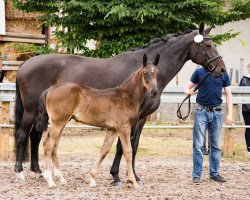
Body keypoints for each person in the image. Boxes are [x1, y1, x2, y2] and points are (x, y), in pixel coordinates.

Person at [185, 66, 233, 184]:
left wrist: (230, 114)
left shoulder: (223, 73)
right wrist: (188, 92)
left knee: (216, 145)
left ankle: (214, 173)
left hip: (217, 112)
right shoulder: (199, 71)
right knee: (198, 145)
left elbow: (228, 94)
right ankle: (196, 175)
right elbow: (187, 87)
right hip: (201, 111)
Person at [239, 63, 250, 155]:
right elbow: (241, 91)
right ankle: (249, 147)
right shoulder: (244, 79)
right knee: (248, 128)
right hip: (247, 109)